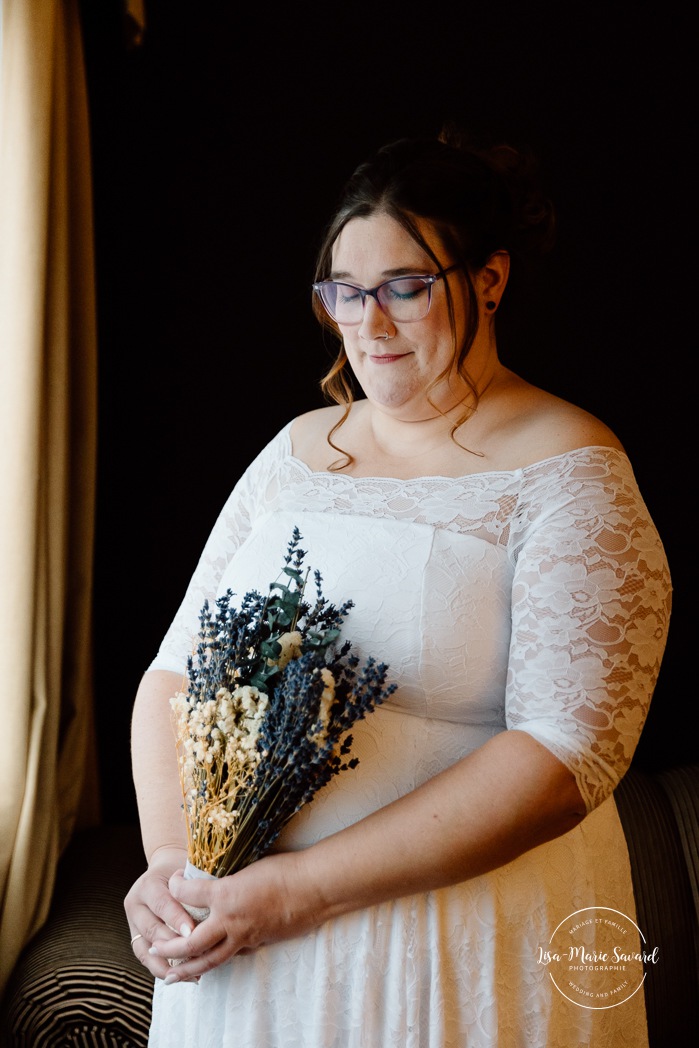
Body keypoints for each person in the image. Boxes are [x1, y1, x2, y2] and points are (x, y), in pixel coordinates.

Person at [125, 128, 672, 1048]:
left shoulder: (568, 469)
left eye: (405, 290)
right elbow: (173, 676)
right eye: (344, 292)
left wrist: (297, 893)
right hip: (239, 947)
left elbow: (561, 756)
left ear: (488, 279)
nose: (367, 325)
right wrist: (172, 867)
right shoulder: (294, 453)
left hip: (463, 949)